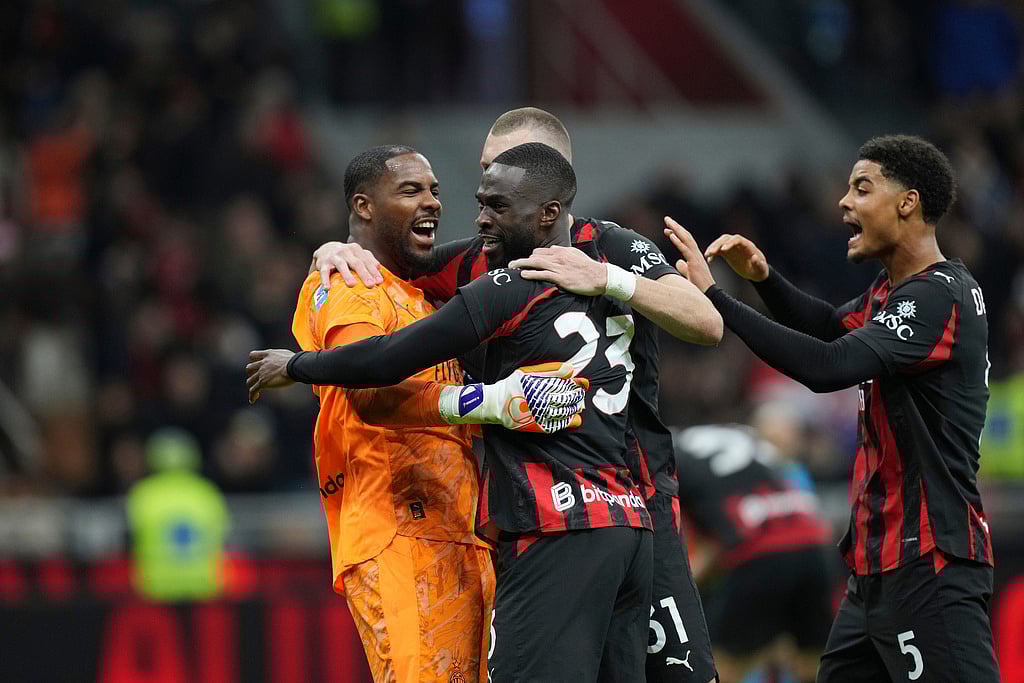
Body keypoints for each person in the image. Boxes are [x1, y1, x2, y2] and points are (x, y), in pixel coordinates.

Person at [308, 107, 722, 683]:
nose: (485, 198)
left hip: (625, 498)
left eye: (504, 176)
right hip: (568, 510)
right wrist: (336, 249)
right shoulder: (484, 255)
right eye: (485, 174)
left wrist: (606, 279)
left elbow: (705, 321)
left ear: (551, 183)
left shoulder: (609, 246)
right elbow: (389, 256)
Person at [249, 142, 656, 682]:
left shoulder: (421, 297)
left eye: (436, 191)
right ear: (365, 207)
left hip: (461, 529)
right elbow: (366, 390)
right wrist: (492, 402)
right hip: (398, 529)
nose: (433, 203)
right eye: (411, 190)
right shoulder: (351, 285)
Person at [665, 134, 999, 683]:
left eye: (861, 188)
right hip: (875, 570)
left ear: (907, 202)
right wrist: (765, 282)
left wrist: (716, 300)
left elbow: (827, 366)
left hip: (929, 561)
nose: (844, 202)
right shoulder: (891, 293)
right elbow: (827, 325)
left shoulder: (938, 296)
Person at [672, 423, 836, 683]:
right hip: (815, 546)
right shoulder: (742, 435)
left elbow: (714, 546)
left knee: (715, 664)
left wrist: (684, 590)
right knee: (814, 663)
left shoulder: (670, 458)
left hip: (759, 554)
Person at [126, 427, 230, 602]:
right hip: (203, 587)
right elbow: (223, 536)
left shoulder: (143, 494)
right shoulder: (207, 492)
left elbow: (129, 539)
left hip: (156, 589)